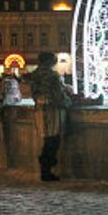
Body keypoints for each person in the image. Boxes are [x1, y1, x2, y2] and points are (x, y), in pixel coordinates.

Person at [29, 52, 73, 181]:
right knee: (52, 141)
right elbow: (58, 96)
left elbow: (34, 93)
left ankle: (45, 169)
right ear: (50, 61)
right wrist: (69, 102)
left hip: (39, 109)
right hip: (52, 110)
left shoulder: (35, 74)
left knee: (48, 140)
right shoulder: (53, 75)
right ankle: (46, 171)